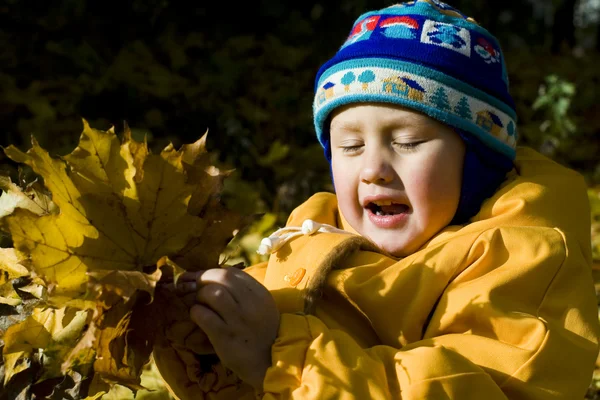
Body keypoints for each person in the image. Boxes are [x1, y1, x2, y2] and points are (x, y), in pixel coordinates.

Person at [154, 1, 600, 398]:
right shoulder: (310, 236)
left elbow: (467, 384)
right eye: (350, 147)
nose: (373, 169)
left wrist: (287, 358)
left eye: (406, 142)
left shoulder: (518, 256)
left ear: (477, 161)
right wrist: (206, 335)